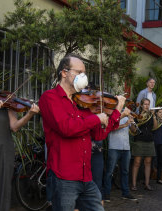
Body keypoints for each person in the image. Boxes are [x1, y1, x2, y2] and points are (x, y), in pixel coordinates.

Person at [39, 55, 126, 211]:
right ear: (64, 73)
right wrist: (96, 118)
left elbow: (100, 134)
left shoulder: (83, 103)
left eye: (84, 73)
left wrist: (117, 110)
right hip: (63, 177)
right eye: (79, 72)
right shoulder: (50, 98)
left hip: (86, 177)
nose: (83, 77)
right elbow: (67, 128)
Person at [0, 67, 39, 211]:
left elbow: (14, 127)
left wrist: (29, 115)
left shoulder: (7, 102)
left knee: (1, 187)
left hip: (3, 152)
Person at [102, 110, 137, 202]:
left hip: (126, 147)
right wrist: (125, 124)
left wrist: (132, 122)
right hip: (114, 147)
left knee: (125, 171)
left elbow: (134, 130)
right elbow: (110, 127)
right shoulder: (113, 114)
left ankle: (125, 193)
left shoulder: (128, 115)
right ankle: (106, 194)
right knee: (110, 172)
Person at [130, 98, 158, 191]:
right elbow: (133, 130)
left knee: (148, 162)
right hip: (139, 140)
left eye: (148, 104)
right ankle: (134, 184)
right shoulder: (137, 115)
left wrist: (154, 116)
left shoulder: (150, 115)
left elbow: (155, 127)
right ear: (141, 105)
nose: (147, 106)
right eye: (145, 104)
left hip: (149, 140)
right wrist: (132, 122)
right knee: (137, 163)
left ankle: (147, 184)